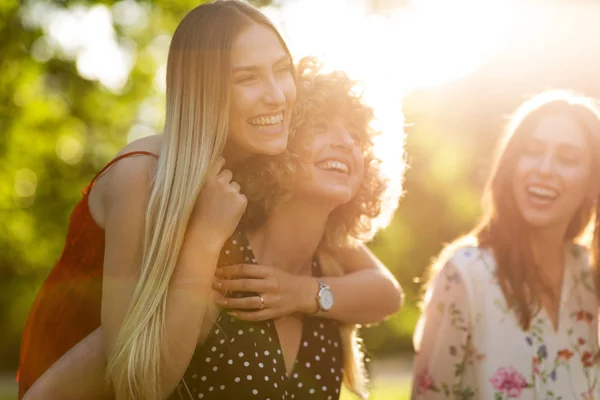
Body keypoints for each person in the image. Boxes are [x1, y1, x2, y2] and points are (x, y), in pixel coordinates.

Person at [18, 2, 403, 398]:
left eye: (281, 70)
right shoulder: (144, 176)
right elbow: (133, 382)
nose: (275, 96)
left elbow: (385, 291)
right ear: (206, 89)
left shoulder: (257, 171)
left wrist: (301, 291)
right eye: (246, 77)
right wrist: (206, 234)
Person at [412, 90, 600, 399]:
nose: (544, 168)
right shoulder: (464, 274)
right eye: (532, 151)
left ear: (594, 182)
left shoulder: (590, 273)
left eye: (567, 158)